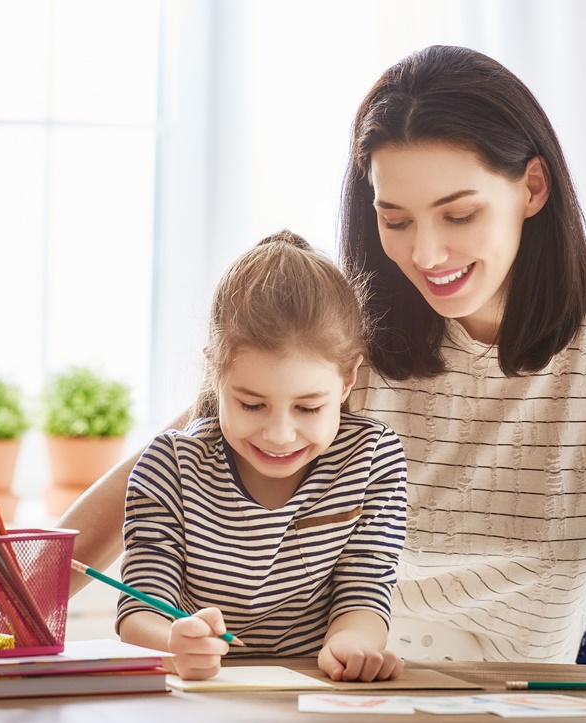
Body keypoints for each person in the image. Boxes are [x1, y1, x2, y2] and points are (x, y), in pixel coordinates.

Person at [0, 45, 586, 676]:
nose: (426, 254)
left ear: (534, 186)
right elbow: (166, 467)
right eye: (394, 219)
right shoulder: (355, 319)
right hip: (330, 672)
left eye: (460, 214)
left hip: (535, 673)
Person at [119, 231, 407, 681]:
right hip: (200, 694)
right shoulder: (170, 466)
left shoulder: (372, 458)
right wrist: (174, 641)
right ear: (214, 371)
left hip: (314, 689)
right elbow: (139, 606)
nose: (279, 435)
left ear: (349, 379)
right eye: (252, 405)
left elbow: (365, 590)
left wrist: (351, 644)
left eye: (308, 407)